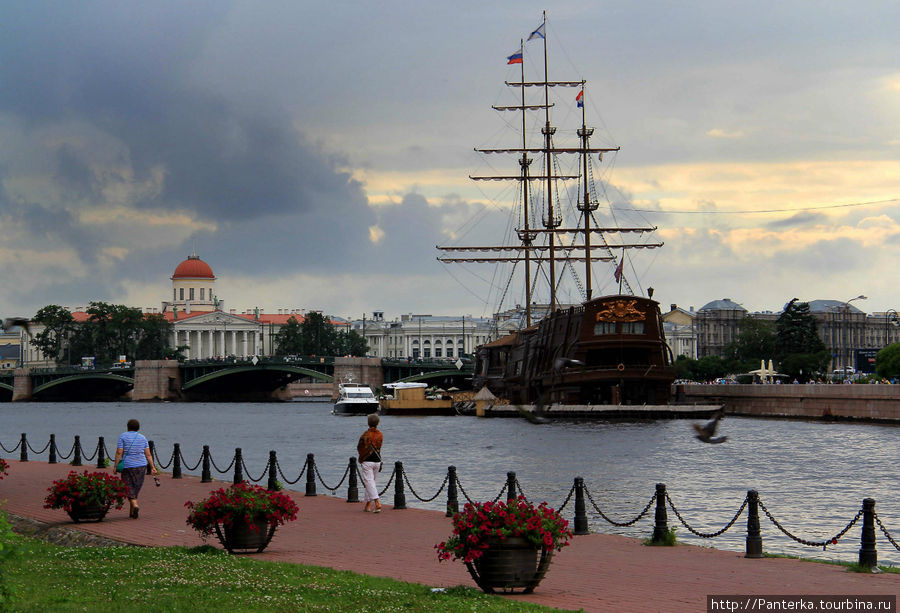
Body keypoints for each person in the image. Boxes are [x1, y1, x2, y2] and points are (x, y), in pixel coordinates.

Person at [114, 419, 157, 519]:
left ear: (127, 427)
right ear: (138, 427)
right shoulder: (143, 438)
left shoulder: (123, 436)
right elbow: (148, 454)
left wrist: (116, 465)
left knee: (128, 487)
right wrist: (152, 467)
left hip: (128, 466)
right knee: (135, 487)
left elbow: (119, 452)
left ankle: (135, 505)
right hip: (141, 465)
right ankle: (132, 512)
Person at [357, 413, 383, 513]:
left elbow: (360, 448)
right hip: (377, 460)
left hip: (367, 461)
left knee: (369, 482)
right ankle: (368, 505)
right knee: (372, 483)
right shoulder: (380, 434)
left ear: (368, 423)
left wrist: (362, 457)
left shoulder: (365, 435)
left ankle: (377, 502)